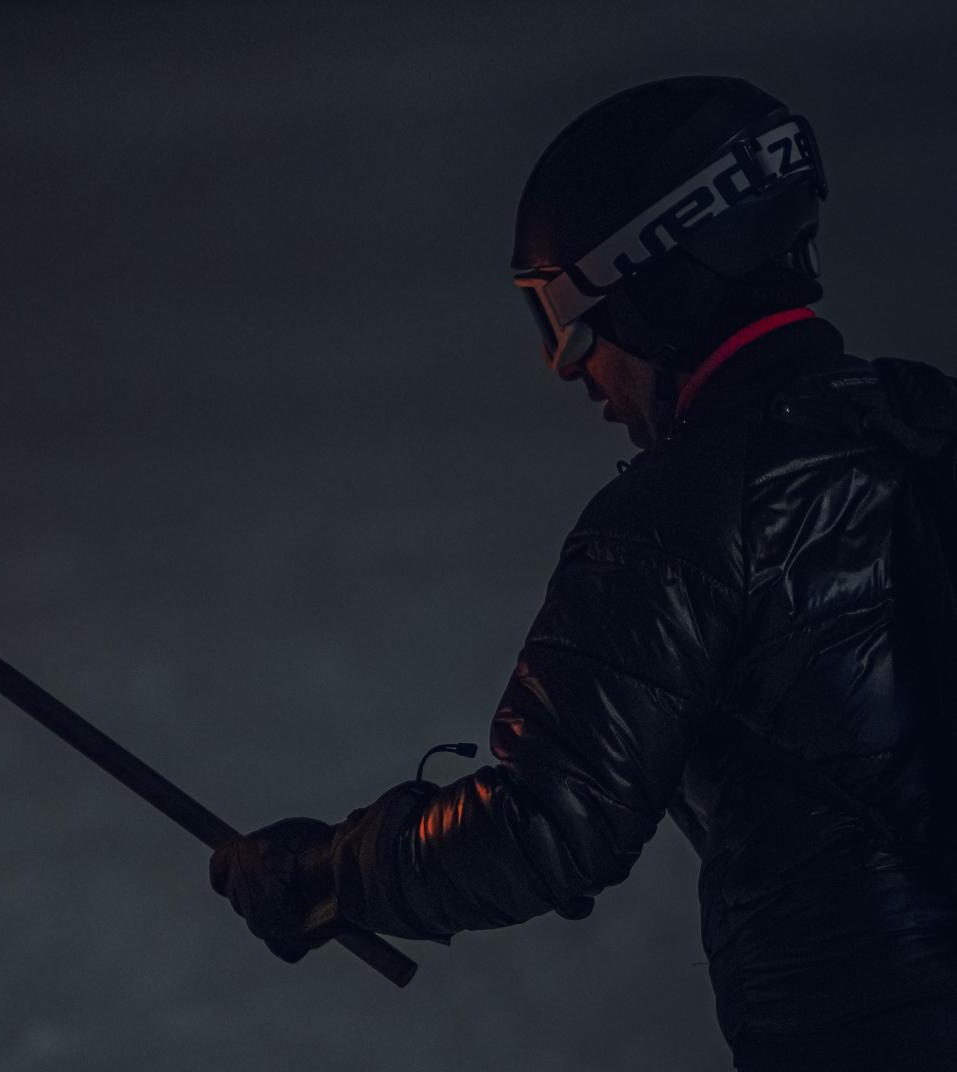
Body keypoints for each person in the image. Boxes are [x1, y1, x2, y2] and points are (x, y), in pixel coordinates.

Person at [208, 76, 957, 1071]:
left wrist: (326, 869)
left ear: (652, 288)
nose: (569, 369)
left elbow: (547, 826)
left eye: (567, 320)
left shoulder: (678, 514)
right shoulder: (929, 420)